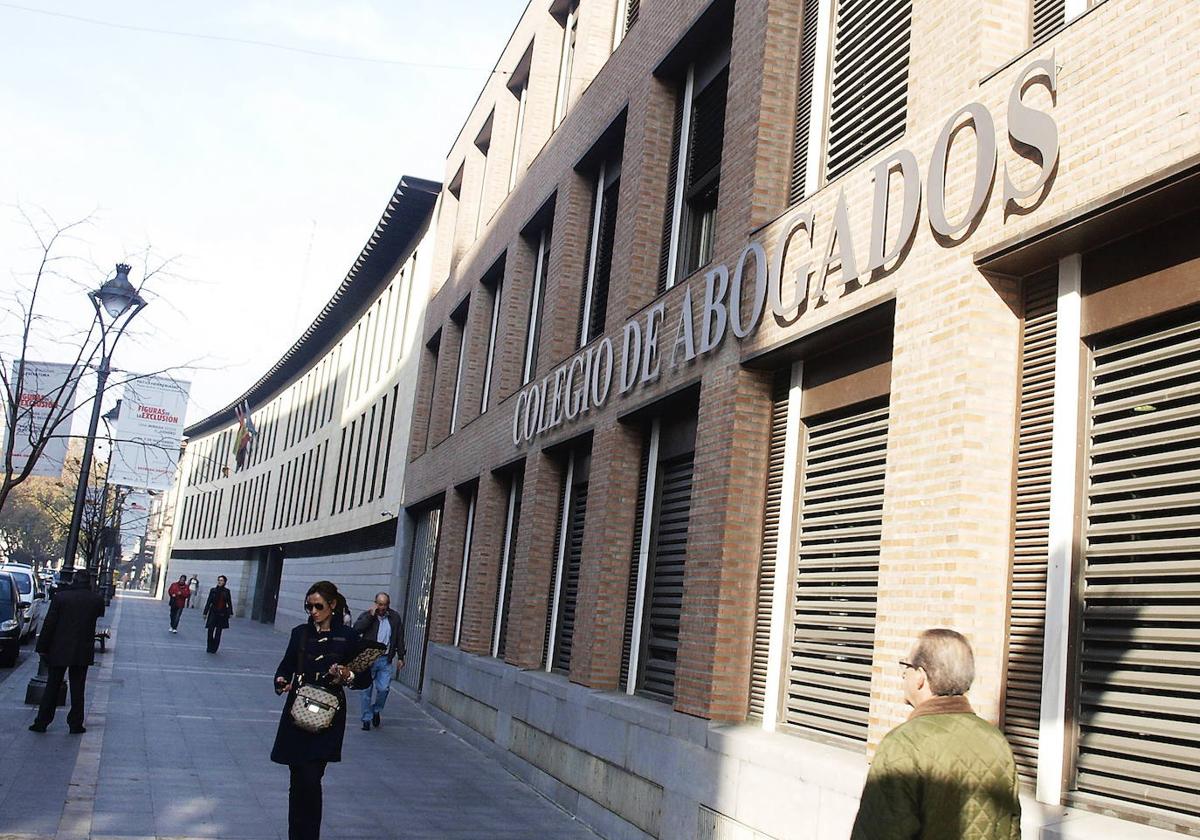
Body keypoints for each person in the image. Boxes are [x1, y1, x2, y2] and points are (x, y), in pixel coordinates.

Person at [850, 629, 1021, 840]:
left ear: (920, 677)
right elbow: (1012, 829)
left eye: (906, 667)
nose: (904, 675)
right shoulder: (997, 742)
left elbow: (877, 832)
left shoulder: (903, 744)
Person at [271, 581, 369, 840]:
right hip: (298, 712)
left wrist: (347, 674)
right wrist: (280, 681)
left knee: (311, 778)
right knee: (297, 780)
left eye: (318, 606)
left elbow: (363, 678)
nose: (313, 611)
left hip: (327, 716)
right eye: (309, 606)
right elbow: (285, 666)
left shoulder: (347, 637)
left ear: (332, 605)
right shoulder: (299, 633)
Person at [29, 571, 105, 734]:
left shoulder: (61, 597)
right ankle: (75, 723)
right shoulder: (95, 599)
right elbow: (99, 613)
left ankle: (42, 721)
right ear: (89, 582)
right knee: (78, 688)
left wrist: (42, 647)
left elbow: (49, 624)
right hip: (82, 649)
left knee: (52, 686)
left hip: (59, 647)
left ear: (73, 580)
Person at [352, 592, 406, 731]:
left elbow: (399, 637)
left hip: (385, 659)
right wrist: (371, 616)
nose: (382, 608)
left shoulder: (394, 618)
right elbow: (357, 629)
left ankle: (376, 710)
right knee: (366, 690)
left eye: (385, 604)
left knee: (384, 688)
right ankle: (366, 719)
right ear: (375, 603)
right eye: (380, 604)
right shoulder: (368, 615)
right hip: (368, 659)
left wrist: (400, 656)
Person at [202, 575, 234, 653]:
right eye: (219, 580)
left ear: (224, 582)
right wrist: (205, 612)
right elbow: (209, 602)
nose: (220, 582)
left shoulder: (227, 591)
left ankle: (214, 648)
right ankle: (209, 646)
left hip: (222, 613)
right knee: (210, 630)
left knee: (218, 632)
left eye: (221, 580)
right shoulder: (213, 590)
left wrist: (230, 612)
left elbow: (229, 602)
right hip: (213, 612)